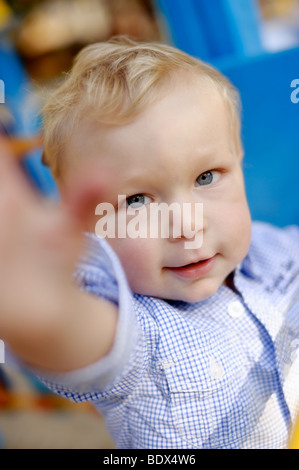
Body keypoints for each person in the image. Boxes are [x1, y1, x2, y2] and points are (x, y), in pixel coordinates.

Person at [1, 36, 299, 449]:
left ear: (239, 160)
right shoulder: (139, 330)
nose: (187, 226)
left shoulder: (269, 255)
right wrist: (44, 311)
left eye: (207, 176)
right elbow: (77, 333)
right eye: (137, 200)